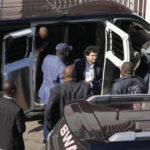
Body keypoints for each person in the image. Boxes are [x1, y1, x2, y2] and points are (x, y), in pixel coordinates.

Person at [38, 43, 72, 145]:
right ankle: (52, 143)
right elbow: (64, 85)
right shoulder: (62, 67)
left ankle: (45, 139)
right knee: (56, 120)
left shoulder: (47, 57)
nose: (69, 53)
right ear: (64, 53)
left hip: (44, 92)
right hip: (53, 97)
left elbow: (42, 70)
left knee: (46, 117)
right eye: (68, 51)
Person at [46, 65, 91, 131]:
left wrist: (51, 127)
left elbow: (48, 111)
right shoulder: (85, 88)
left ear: (63, 76)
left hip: (61, 129)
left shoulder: (55, 91)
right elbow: (90, 108)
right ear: (75, 76)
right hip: (80, 127)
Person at [0, 80, 26, 150]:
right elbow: (21, 129)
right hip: (14, 145)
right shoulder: (17, 109)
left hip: (3, 142)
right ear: (12, 91)